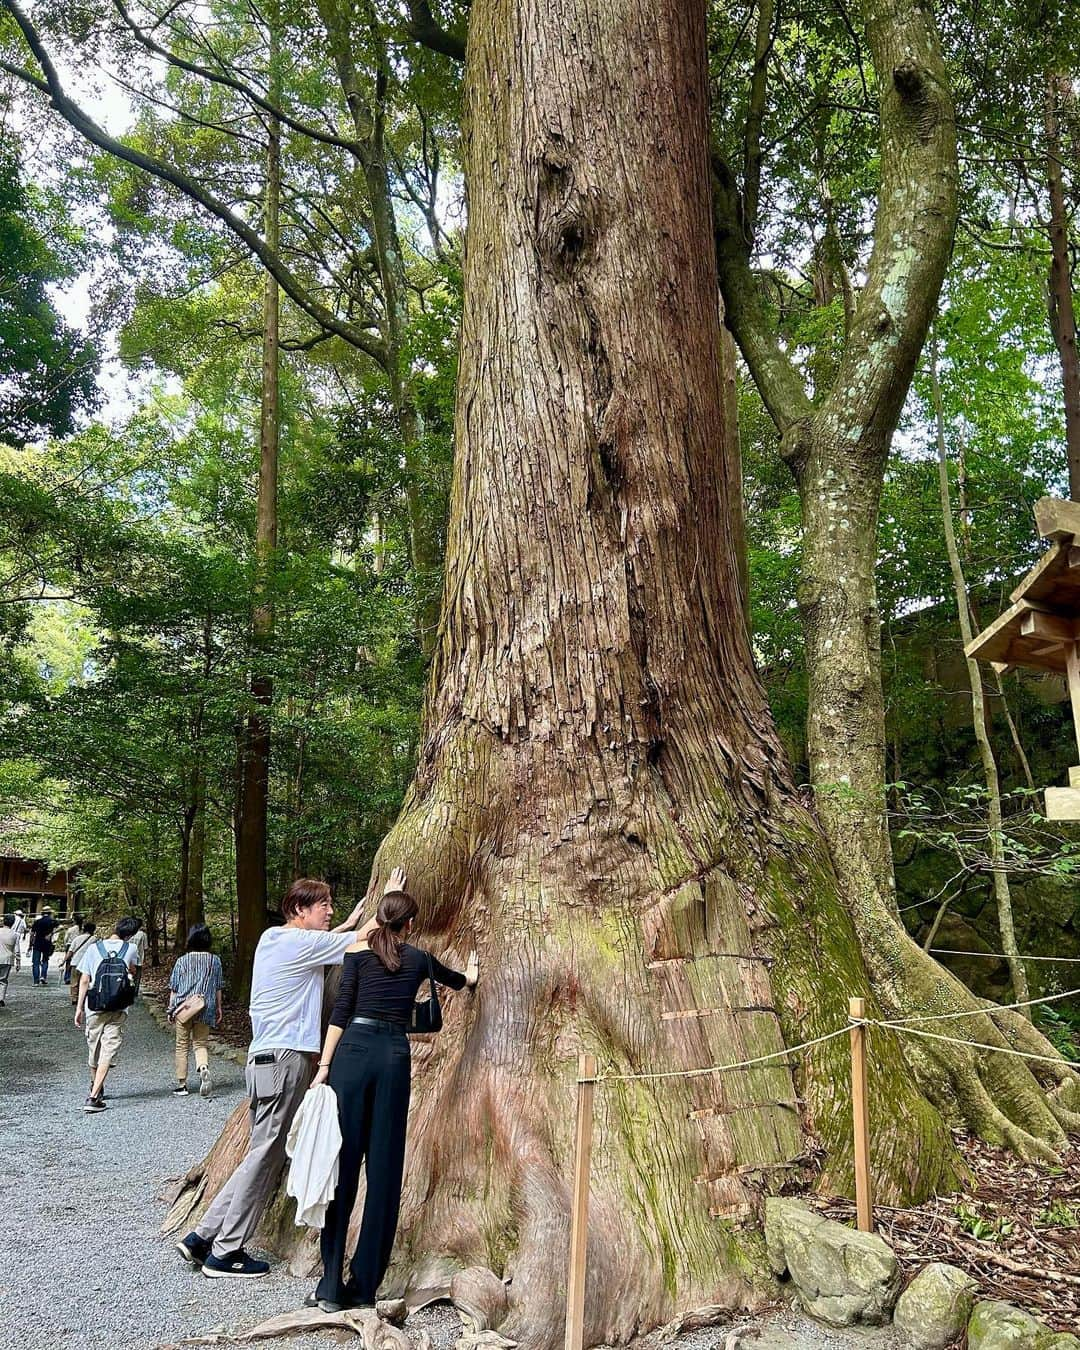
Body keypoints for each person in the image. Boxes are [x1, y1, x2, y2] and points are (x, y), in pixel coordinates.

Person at [174, 875, 381, 1281]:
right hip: (285, 1062)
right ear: (300, 909)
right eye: (325, 905)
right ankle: (226, 1251)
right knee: (266, 1157)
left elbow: (330, 941)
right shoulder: (299, 944)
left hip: (262, 1061)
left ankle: (202, 1236)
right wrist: (384, 903)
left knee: (259, 1153)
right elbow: (361, 941)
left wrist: (346, 923)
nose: (331, 911)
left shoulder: (275, 939)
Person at [310, 888, 478, 1312]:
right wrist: (472, 976)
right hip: (392, 1058)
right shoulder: (419, 958)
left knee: (342, 1165)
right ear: (411, 925)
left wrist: (324, 1066)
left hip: (351, 1055)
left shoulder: (356, 956)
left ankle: (329, 1286)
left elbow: (341, 1011)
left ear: (380, 919)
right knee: (384, 1169)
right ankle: (364, 1285)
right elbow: (458, 981)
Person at [74, 916, 142, 1113]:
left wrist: (79, 1007)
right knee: (108, 1049)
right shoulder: (130, 949)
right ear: (130, 934)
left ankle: (96, 1088)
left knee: (94, 1048)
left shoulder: (94, 948)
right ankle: (94, 1096)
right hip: (119, 1007)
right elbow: (132, 971)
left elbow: (85, 979)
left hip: (94, 1005)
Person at [169, 924, 224, 1097]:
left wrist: (171, 1009)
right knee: (200, 1044)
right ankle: (203, 1068)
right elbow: (218, 987)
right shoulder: (214, 960)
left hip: (183, 1008)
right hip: (205, 1007)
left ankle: (182, 1085)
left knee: (182, 1046)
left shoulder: (182, 961)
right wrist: (219, 1007)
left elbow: (174, 988)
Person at [65, 921, 97, 1005]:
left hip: (75, 962)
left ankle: (74, 998)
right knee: (85, 982)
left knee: (74, 982)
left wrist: (64, 961)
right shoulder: (94, 940)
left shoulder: (77, 938)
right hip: (88, 964)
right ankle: (83, 998)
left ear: (83, 929)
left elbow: (70, 952)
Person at [28, 907, 59, 985]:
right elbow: (61, 927)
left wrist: (30, 945)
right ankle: (43, 977)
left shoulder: (37, 922)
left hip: (37, 943)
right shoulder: (52, 921)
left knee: (35, 963)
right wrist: (51, 934)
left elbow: (32, 934)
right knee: (45, 960)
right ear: (50, 913)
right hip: (47, 943)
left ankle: (36, 981)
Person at [0, 915, 17, 1006]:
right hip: (7, 959)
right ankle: (1, 998)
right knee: (3, 980)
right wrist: (18, 962)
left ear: (3, 922)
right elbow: (16, 950)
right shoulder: (14, 934)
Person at [128, 919, 149, 992]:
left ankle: (128, 991)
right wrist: (145, 960)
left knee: (129, 976)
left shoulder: (129, 933)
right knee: (137, 977)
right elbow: (145, 948)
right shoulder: (143, 934)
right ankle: (135, 992)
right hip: (139, 959)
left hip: (129, 960)